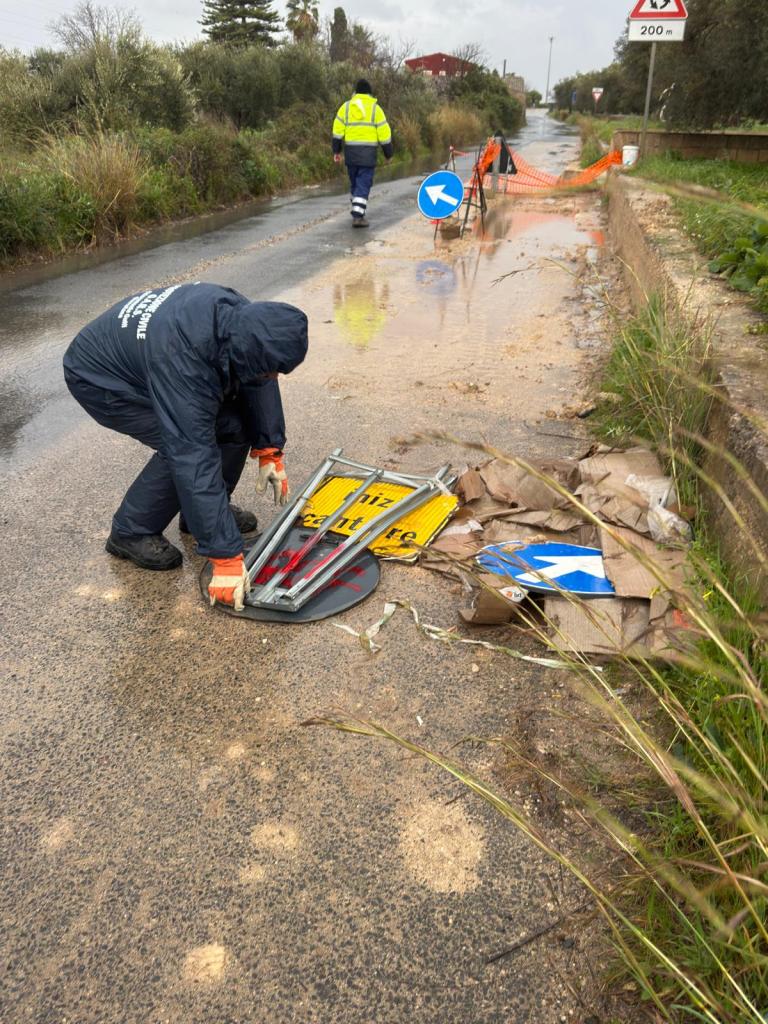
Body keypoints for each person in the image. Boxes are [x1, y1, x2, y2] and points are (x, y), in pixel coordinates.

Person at [63, 282, 308, 610]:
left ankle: (197, 519)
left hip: (153, 354)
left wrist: (269, 448)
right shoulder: (184, 359)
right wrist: (225, 557)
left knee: (233, 428)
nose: (274, 376)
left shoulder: (247, 322)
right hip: (100, 376)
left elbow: (259, 375)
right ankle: (131, 531)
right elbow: (191, 453)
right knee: (181, 444)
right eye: (271, 370)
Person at [332, 78, 393, 228]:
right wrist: (388, 154)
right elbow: (384, 135)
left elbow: (337, 131)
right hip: (368, 155)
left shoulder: (346, 107)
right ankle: (358, 217)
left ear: (355, 92)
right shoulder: (375, 109)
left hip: (351, 154)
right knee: (363, 184)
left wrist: (336, 151)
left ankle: (357, 209)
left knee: (355, 183)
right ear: (369, 93)